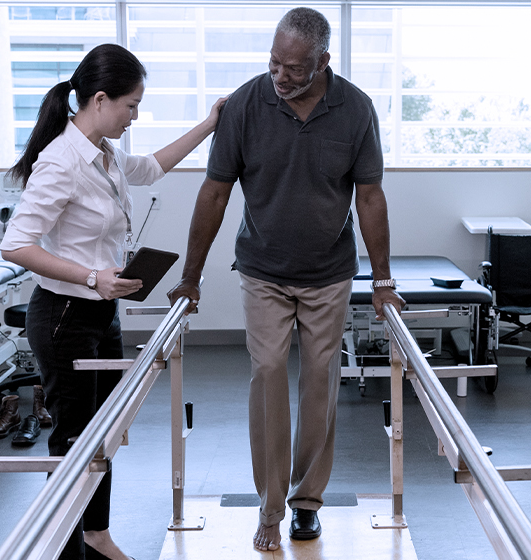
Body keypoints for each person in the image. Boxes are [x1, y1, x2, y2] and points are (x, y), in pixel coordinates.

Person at [165, 7, 404, 552]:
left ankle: (305, 503)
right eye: (274, 62)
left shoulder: (356, 109)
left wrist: (383, 279)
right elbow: (215, 192)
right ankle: (269, 507)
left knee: (320, 379)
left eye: (294, 67)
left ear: (323, 61)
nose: (281, 76)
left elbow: (369, 196)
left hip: (328, 273)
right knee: (268, 371)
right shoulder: (247, 104)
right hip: (263, 269)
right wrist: (190, 277)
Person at [0, 43, 224, 560]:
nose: (134, 116)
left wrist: (210, 124)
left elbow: (151, 167)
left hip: (100, 314)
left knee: (102, 439)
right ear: (100, 99)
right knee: (75, 443)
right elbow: (16, 244)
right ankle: (66, 551)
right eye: (130, 105)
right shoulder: (61, 161)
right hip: (63, 317)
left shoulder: (103, 152)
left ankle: (96, 536)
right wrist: (91, 275)